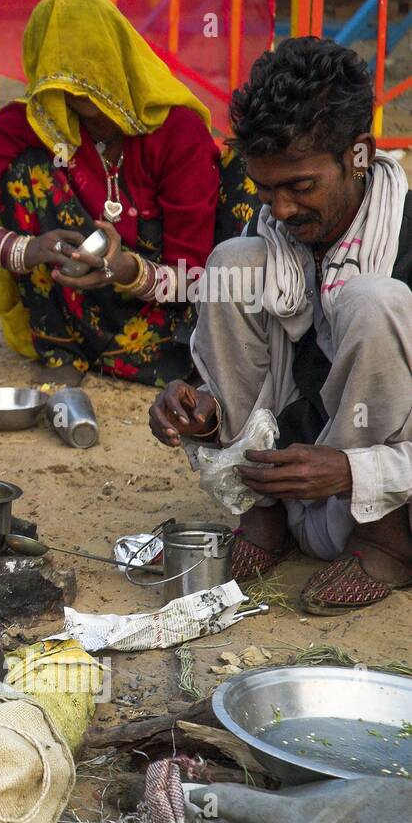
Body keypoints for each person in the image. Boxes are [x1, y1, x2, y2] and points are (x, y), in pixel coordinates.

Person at [150, 37, 412, 615]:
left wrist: (352, 469)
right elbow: (265, 370)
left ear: (359, 155)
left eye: (300, 186)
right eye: (266, 189)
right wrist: (205, 409)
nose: (283, 209)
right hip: (293, 488)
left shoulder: (406, 238)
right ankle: (259, 515)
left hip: (389, 494)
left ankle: (383, 543)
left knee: (374, 300)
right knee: (232, 261)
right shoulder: (270, 233)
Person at [0, 0, 255, 386]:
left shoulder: (175, 129)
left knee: (244, 174)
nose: (79, 91)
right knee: (22, 170)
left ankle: (182, 357)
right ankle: (64, 347)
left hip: (170, 324)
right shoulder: (36, 121)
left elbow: (192, 275)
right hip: (72, 306)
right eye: (65, 79)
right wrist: (22, 249)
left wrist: (126, 270)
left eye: (91, 72)